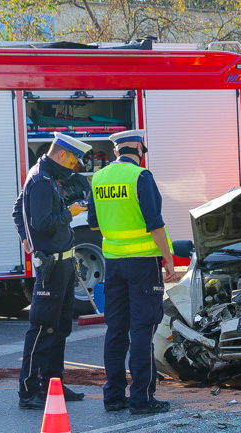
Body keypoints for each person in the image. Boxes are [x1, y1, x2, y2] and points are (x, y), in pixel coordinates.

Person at [88, 129, 178, 415]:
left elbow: (93, 224)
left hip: (113, 263)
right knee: (142, 330)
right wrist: (168, 260)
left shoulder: (99, 178)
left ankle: (113, 396)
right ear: (139, 149)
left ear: (116, 151)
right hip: (142, 265)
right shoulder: (141, 177)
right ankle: (142, 398)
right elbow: (155, 223)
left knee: (116, 330)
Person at [12, 132, 91, 409]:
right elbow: (43, 222)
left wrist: (25, 237)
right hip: (52, 265)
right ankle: (29, 390)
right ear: (60, 154)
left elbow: (17, 210)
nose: (74, 167)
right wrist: (71, 212)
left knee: (60, 328)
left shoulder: (44, 175)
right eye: (73, 161)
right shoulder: (42, 181)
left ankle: (53, 384)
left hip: (64, 262)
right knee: (43, 328)